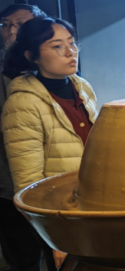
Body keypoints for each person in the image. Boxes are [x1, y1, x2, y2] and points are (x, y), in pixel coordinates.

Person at [1, 17, 98, 269]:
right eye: (57, 46)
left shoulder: (82, 86)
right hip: (60, 218)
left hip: (91, 207)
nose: (70, 52)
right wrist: (56, 238)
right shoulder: (23, 102)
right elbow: (28, 184)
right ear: (31, 56)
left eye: (72, 43)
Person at [0, 4, 46, 271]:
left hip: (55, 181)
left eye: (20, 24)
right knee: (22, 258)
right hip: (8, 186)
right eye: (6, 25)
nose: (11, 31)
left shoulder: (57, 71)